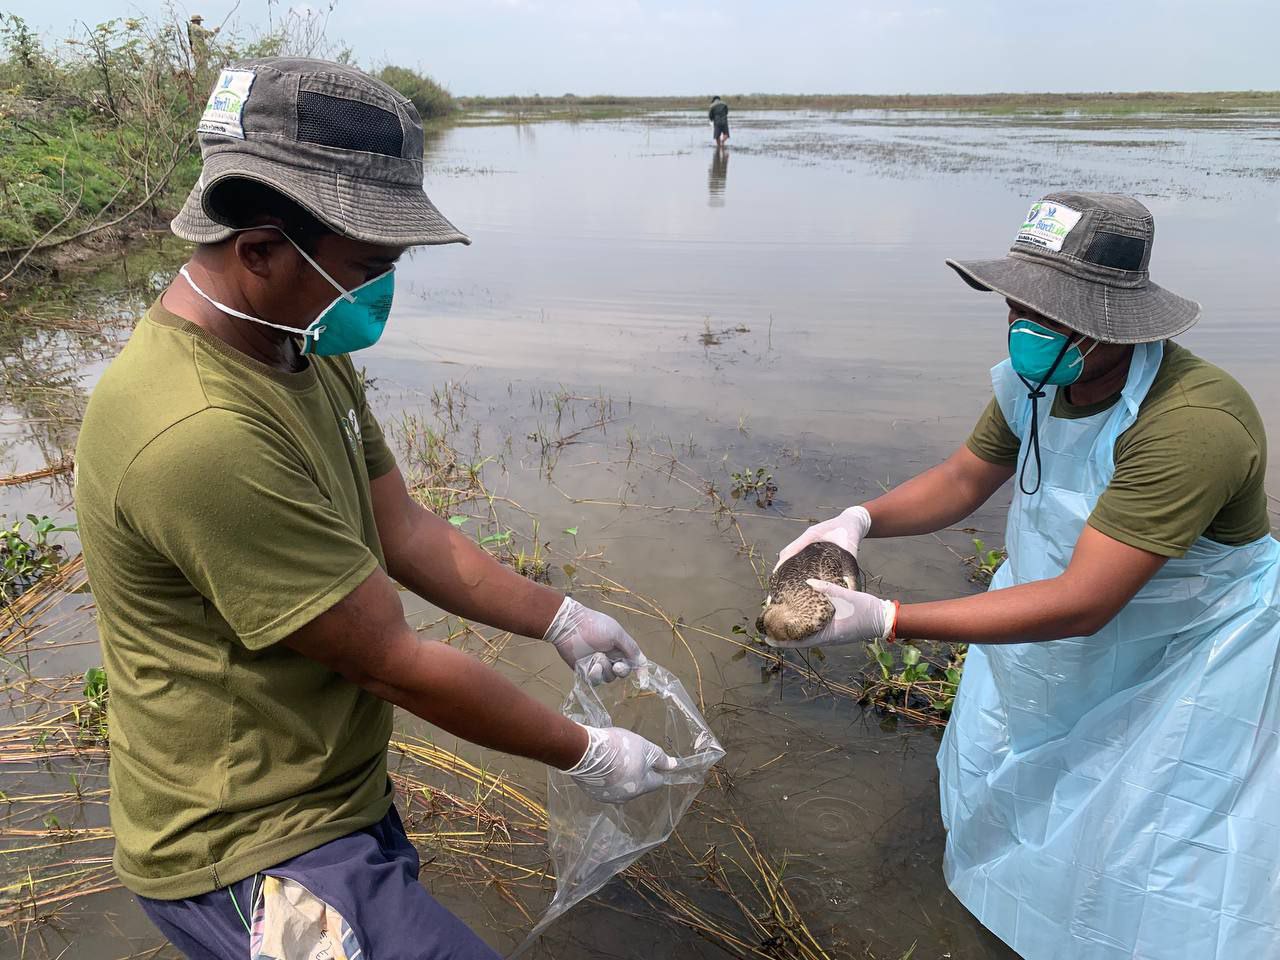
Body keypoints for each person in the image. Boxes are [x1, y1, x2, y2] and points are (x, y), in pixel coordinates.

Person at [74, 58, 675, 960]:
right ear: (261, 250)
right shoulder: (199, 434)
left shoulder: (296, 344)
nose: (378, 292)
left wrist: (559, 616)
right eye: (367, 266)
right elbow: (392, 662)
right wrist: (583, 751)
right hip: (249, 846)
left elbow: (404, 530)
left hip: (333, 794)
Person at [773, 192, 1279, 960]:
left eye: (1050, 314)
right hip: (1049, 622)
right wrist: (857, 519)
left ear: (1114, 320)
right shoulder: (1034, 379)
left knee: (1151, 849)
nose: (1024, 326)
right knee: (1018, 792)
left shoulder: (1192, 423)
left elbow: (1084, 602)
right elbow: (963, 479)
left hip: (1185, 651)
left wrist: (889, 620)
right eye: (1019, 305)